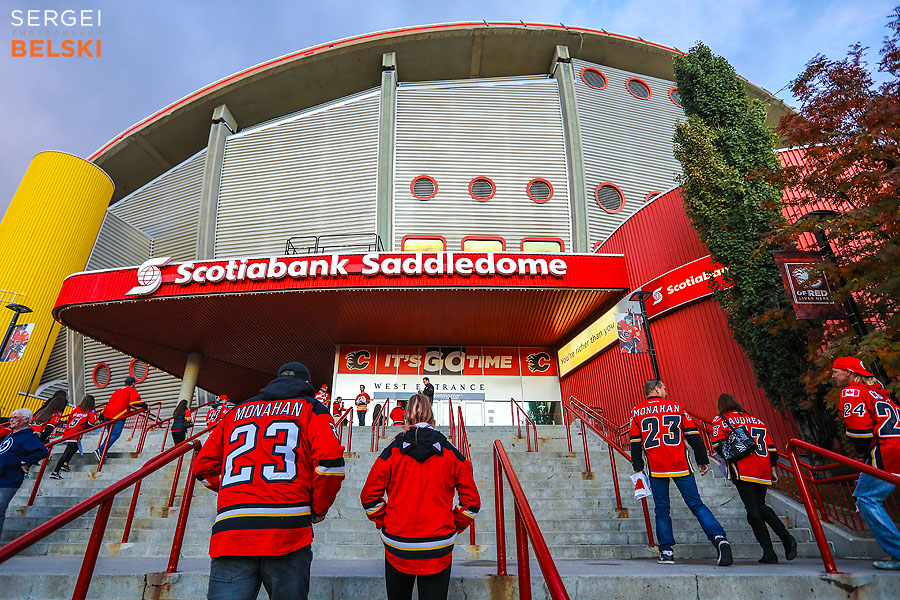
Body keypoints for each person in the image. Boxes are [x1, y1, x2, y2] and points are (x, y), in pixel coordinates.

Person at [193, 361, 346, 600]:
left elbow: (202, 468)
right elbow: (331, 463)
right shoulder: (312, 408)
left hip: (232, 529)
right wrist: (318, 507)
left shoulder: (235, 412)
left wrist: (234, 489)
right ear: (307, 384)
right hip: (288, 528)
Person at [361, 394, 480, 600]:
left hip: (398, 544)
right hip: (438, 546)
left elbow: (369, 497)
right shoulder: (451, 453)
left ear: (405, 420)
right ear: (433, 420)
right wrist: (452, 525)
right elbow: (472, 503)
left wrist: (385, 521)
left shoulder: (392, 451)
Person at [630, 378, 732, 566]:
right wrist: (702, 460)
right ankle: (719, 538)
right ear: (656, 389)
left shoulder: (637, 412)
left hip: (656, 466)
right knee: (696, 504)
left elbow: (635, 443)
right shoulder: (676, 407)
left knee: (661, 509)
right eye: (664, 388)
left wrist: (638, 467)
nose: (666, 391)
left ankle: (667, 552)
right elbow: (694, 436)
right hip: (681, 464)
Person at [832, 356, 900, 570]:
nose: (833, 375)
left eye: (837, 371)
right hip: (895, 444)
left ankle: (898, 552)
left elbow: (859, 432)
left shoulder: (852, 391)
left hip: (886, 450)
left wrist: (863, 454)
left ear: (850, 374)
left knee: (866, 498)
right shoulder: (881, 394)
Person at [711, 393, 797, 563]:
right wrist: (773, 468)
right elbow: (770, 446)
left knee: (753, 509)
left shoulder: (720, 420)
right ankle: (776, 547)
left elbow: (716, 445)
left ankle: (777, 545)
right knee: (759, 507)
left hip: (743, 468)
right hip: (763, 468)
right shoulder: (755, 420)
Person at [0, 408, 49, 536]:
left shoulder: (27, 436)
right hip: (1, 475)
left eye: (15, 417)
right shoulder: (11, 434)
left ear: (26, 420)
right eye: (11, 417)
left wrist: (25, 461)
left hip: (9, 478)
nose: (11, 420)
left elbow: (43, 451)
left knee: (0, 508)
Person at [95, 376, 146, 460]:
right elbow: (135, 402)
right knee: (115, 434)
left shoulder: (117, 391)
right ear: (133, 384)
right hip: (118, 414)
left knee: (110, 435)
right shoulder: (131, 390)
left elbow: (109, 403)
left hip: (107, 414)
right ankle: (100, 450)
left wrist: (101, 416)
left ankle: (103, 452)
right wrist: (146, 406)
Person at [49, 395, 97, 480]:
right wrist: (83, 427)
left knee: (75, 448)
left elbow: (69, 418)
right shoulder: (90, 411)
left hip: (68, 430)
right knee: (67, 452)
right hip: (75, 433)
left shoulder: (76, 408)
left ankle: (65, 463)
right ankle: (55, 471)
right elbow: (91, 422)